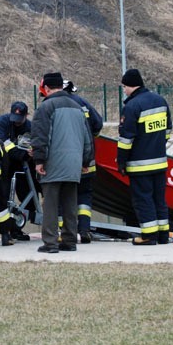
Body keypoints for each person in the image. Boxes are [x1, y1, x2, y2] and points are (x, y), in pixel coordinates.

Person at [31, 72, 93, 253]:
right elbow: (87, 137)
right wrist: (85, 160)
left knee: (50, 203)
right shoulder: (77, 106)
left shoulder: (45, 108)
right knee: (70, 203)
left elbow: (40, 137)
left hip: (53, 162)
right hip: (74, 163)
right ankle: (70, 241)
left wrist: (39, 160)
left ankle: (50, 243)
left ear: (47, 88)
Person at [117, 68, 172, 245]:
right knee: (159, 199)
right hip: (159, 162)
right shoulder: (160, 101)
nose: (124, 90)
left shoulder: (132, 106)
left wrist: (122, 161)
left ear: (130, 86)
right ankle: (163, 235)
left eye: (124, 87)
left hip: (140, 165)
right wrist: (155, 146)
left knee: (143, 200)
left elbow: (126, 139)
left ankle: (148, 236)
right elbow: (167, 130)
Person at [63, 80, 103, 243]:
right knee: (84, 195)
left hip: (65, 160)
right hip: (87, 158)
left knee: (62, 195)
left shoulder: (54, 104)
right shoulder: (83, 103)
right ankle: (84, 230)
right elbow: (98, 124)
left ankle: (64, 232)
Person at [0, 101, 37, 240]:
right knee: (3, 196)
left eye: (20, 119)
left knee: (28, 194)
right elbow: (2, 144)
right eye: (14, 119)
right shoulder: (2, 123)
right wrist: (22, 153)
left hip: (23, 165)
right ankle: (6, 230)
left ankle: (17, 227)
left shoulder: (30, 127)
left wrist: (30, 153)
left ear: (26, 115)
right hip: (4, 164)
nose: (16, 123)